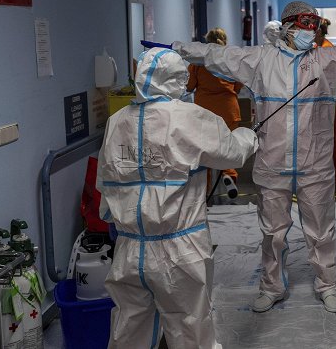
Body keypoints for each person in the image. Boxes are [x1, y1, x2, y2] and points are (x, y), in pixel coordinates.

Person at [142, 2, 336, 314]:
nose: (309, 30)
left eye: (314, 24)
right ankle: (272, 287)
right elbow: (213, 55)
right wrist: (174, 48)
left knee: (322, 230)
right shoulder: (259, 60)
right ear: (287, 27)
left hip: (315, 165)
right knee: (272, 233)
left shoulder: (329, 61)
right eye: (304, 23)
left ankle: (327, 285)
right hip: (272, 165)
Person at [96, 48, 258, 349]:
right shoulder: (190, 117)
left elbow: (104, 181)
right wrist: (250, 137)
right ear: (178, 80)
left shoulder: (117, 121)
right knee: (190, 328)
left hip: (130, 250)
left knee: (128, 330)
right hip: (179, 250)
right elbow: (231, 152)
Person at [187, 28, 244, 200]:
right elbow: (238, 86)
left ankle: (205, 192)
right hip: (229, 110)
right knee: (229, 148)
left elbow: (189, 86)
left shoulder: (198, 61)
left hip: (204, 111)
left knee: (205, 151)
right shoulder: (232, 60)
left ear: (207, 41)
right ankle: (228, 174)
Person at [315, 18, 336, 190]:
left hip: (327, 101)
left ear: (318, 32)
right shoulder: (320, 48)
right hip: (322, 101)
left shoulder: (325, 50)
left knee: (328, 140)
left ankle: (332, 179)